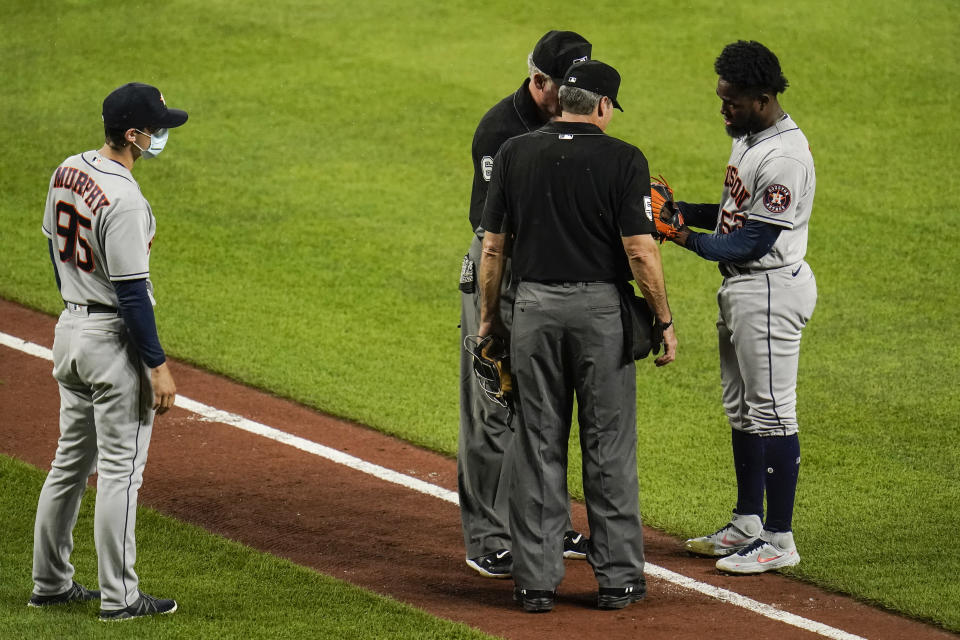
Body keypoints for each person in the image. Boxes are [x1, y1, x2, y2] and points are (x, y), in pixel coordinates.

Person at [478, 60, 677, 612]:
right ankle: (617, 580)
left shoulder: (516, 152)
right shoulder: (623, 158)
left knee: (536, 442)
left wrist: (491, 321)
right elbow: (640, 250)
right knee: (607, 445)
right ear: (604, 106)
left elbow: (494, 247)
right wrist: (662, 320)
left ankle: (535, 582)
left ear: (563, 98)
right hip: (599, 315)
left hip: (534, 312)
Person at [30, 82, 188, 620]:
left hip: (70, 332)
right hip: (110, 344)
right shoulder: (124, 199)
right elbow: (132, 295)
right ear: (131, 134)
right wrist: (157, 366)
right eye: (155, 128)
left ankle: (49, 583)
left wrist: (76, 302)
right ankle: (121, 598)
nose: (159, 136)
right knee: (121, 472)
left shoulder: (66, 169)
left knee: (69, 463)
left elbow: (54, 247)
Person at [667, 41, 817, 574]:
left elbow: (750, 241)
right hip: (743, 291)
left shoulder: (784, 158)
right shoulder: (750, 137)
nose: (723, 108)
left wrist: (682, 237)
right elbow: (734, 214)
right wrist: (684, 211)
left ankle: (779, 538)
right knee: (743, 410)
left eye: (732, 101)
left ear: (764, 97)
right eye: (721, 98)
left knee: (773, 411)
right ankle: (747, 523)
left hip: (769, 288)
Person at [459, 30, 592, 579]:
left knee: (547, 405)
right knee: (493, 407)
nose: (578, 96)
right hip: (502, 271)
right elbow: (501, 230)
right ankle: (486, 536)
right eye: (568, 86)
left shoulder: (575, 117)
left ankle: (545, 521)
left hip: (549, 274)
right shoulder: (501, 130)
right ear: (539, 80)